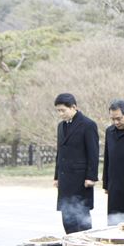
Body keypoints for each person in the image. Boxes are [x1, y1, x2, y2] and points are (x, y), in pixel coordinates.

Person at [53, 93, 99, 234]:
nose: (60, 114)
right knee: (67, 218)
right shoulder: (61, 126)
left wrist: (91, 176)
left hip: (81, 180)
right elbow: (60, 153)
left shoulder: (88, 124)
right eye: (58, 111)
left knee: (81, 219)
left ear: (73, 107)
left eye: (63, 110)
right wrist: (57, 176)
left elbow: (93, 152)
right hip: (65, 178)